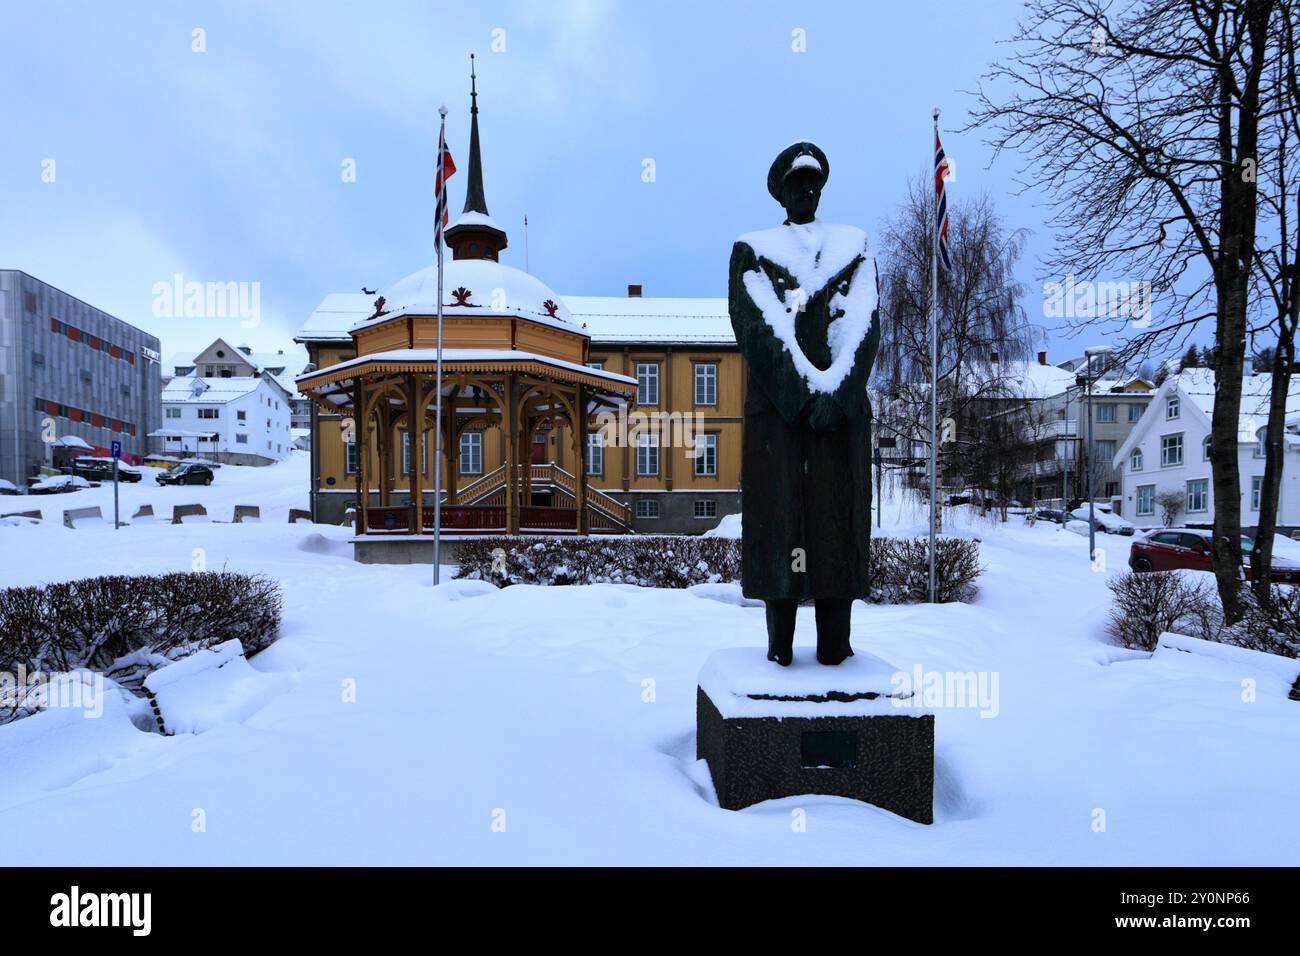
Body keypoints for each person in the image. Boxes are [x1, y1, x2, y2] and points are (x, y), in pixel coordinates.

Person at [727, 141, 880, 665]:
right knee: (781, 526)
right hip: (779, 418)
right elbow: (760, 331)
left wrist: (837, 393)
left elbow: (863, 323)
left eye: (813, 181)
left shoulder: (854, 246)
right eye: (797, 183)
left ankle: (837, 644)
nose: (807, 191)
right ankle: (780, 648)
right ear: (781, 190)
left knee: (837, 526)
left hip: (841, 418)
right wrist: (804, 396)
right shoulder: (752, 250)